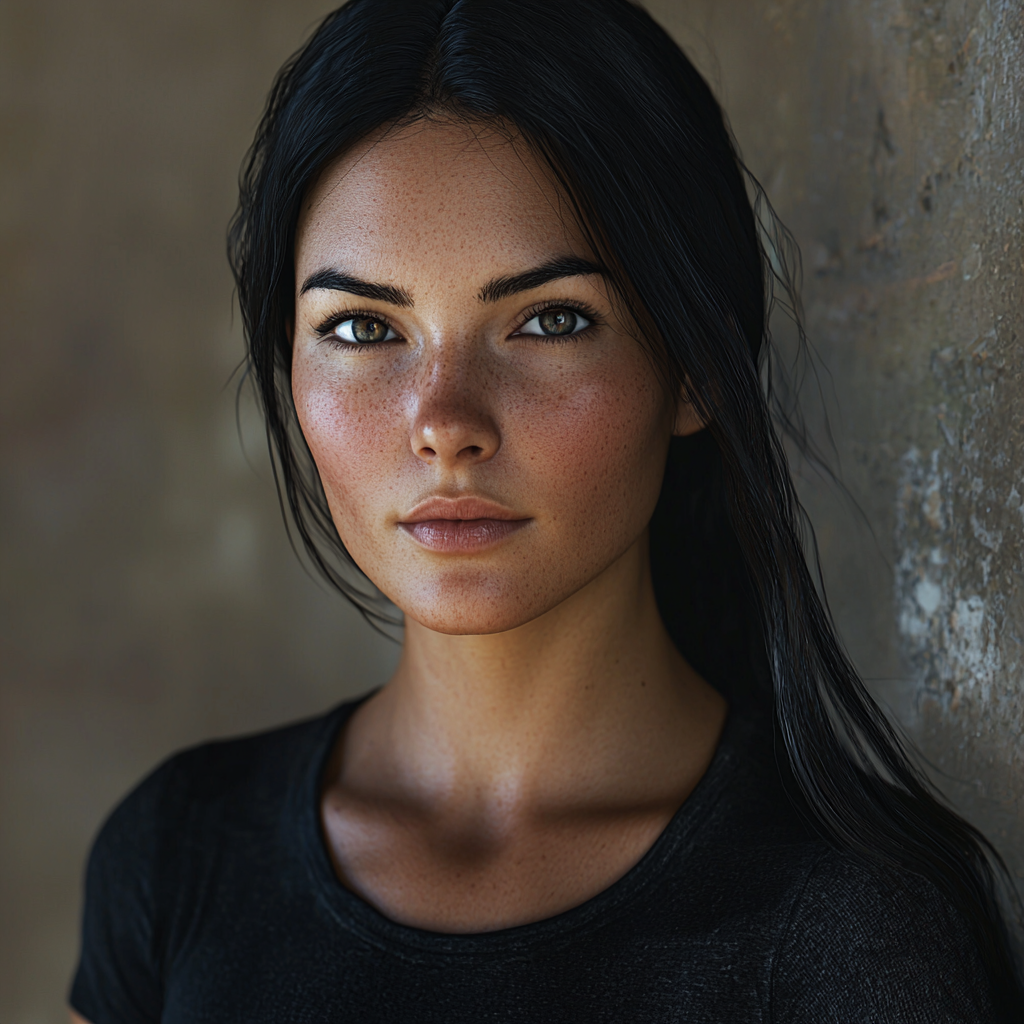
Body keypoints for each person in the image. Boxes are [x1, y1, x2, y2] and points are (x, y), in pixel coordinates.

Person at [69, 0, 1023, 1020]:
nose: (443, 421)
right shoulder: (175, 853)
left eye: (549, 319)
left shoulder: (849, 932)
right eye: (359, 327)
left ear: (696, 366)